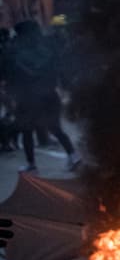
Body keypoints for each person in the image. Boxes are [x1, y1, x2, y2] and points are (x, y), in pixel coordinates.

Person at [3, 20, 81, 173]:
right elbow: (60, 69)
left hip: (28, 98)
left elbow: (8, 75)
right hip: (50, 95)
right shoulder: (48, 48)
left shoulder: (15, 52)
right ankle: (73, 155)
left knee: (27, 131)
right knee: (55, 127)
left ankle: (31, 164)